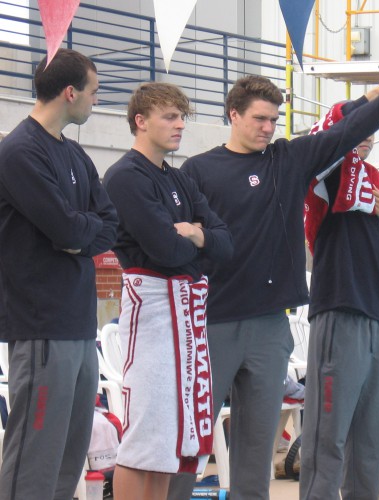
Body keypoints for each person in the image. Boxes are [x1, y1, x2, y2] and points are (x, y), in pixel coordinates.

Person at [167, 66, 379, 500]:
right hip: (214, 322)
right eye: (258, 119)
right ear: (233, 115)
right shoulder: (198, 169)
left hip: (271, 326)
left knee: (255, 449)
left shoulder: (287, 161)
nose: (268, 128)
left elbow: (345, 133)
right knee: (191, 442)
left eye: (273, 120)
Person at [103, 82, 234, 500]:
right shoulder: (125, 176)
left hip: (188, 308)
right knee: (145, 433)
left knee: (170, 435)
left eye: (181, 116)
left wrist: (195, 235)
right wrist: (199, 242)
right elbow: (164, 249)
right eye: (170, 116)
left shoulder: (178, 177)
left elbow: (225, 244)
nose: (180, 125)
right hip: (153, 305)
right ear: (140, 122)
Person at [0, 48, 118, 500]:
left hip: (78, 326)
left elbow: (106, 223)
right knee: (36, 458)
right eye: (93, 91)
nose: (95, 101)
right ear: (70, 92)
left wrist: (77, 233)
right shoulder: (19, 153)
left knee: (70, 457)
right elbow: (68, 226)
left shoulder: (74, 154)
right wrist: (77, 231)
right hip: (41, 327)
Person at [300, 101, 379, 498]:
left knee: (371, 438)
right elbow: (325, 136)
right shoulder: (326, 171)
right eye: (359, 127)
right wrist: (371, 102)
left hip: (376, 316)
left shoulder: (376, 181)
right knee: (327, 434)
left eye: (372, 129)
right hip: (338, 310)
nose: (367, 135)